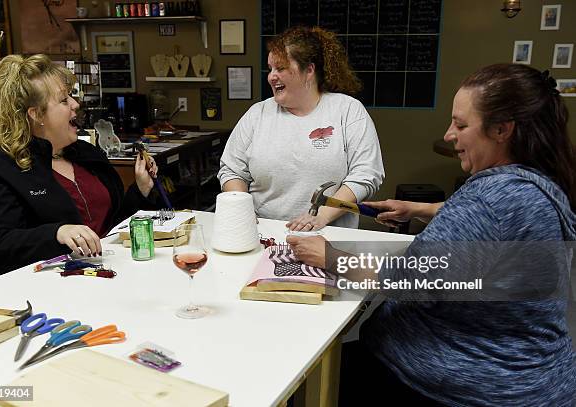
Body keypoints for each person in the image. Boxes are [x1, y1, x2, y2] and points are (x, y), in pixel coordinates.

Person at [288, 64, 576, 405]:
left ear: (502, 129)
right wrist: (419, 209)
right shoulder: (537, 183)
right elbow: (496, 223)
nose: (450, 133)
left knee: (303, 386)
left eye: (462, 124)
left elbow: (411, 281)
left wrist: (329, 256)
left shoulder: (489, 201)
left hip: (476, 382)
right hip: (532, 369)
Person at [0, 54, 159, 279]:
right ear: (36, 114)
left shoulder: (87, 154)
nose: (76, 104)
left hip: (99, 279)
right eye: (64, 100)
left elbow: (110, 229)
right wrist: (57, 232)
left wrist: (141, 190)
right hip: (35, 291)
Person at [218, 26, 384, 230]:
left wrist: (321, 217)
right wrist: (243, 212)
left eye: (280, 68)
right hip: (263, 232)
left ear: (309, 71)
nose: (271, 76)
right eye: (270, 68)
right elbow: (232, 170)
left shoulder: (348, 111)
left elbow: (366, 174)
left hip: (330, 235)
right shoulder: (257, 114)